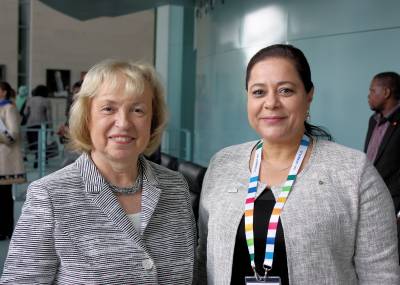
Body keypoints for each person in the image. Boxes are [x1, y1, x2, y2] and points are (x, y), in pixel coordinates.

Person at [197, 44, 400, 284]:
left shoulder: (355, 172)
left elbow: (380, 275)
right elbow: (203, 261)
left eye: (285, 90)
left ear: (309, 94)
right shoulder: (222, 164)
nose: (271, 103)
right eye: (259, 92)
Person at [1, 60, 196, 284]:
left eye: (138, 109)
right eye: (108, 108)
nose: (123, 123)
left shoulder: (175, 187)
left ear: (153, 121)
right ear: (87, 118)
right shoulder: (50, 195)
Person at [364, 71, 400, 260]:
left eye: (372, 90)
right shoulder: (373, 120)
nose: (368, 95)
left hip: (395, 201)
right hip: (373, 197)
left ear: (386, 92)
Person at [0, 81, 26, 240]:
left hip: (5, 159)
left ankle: (5, 229)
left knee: (3, 197)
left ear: (4, 92)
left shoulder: (9, 108)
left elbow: (13, 134)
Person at [23, 84, 52, 168]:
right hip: (42, 124)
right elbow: (49, 116)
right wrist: (51, 127)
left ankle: (38, 160)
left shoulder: (30, 99)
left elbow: (25, 112)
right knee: (41, 143)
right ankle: (40, 161)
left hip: (30, 124)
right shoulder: (46, 101)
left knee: (34, 144)